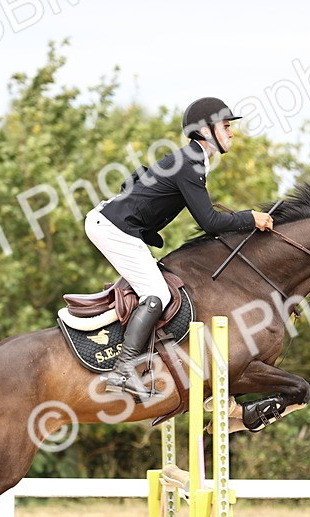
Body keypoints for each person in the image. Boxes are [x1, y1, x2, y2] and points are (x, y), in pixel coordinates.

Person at [85, 97, 274, 397]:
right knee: (157, 293)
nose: (232, 133)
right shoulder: (190, 162)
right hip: (113, 229)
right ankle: (123, 372)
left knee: (154, 288)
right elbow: (210, 222)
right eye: (226, 127)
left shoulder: (194, 159)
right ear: (207, 130)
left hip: (119, 226)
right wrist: (250, 218)